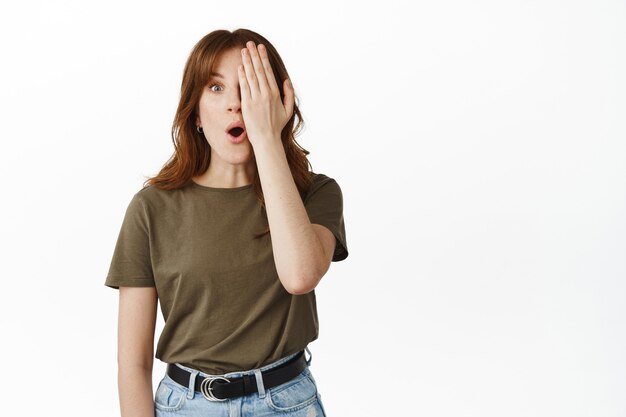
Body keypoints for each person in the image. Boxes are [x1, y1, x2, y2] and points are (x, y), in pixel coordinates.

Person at [104, 27, 348, 417]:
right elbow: (132, 364)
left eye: (251, 87)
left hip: (286, 403)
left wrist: (267, 138)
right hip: (185, 406)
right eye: (216, 89)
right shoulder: (151, 208)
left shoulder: (316, 194)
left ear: (278, 100)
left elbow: (299, 275)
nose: (237, 104)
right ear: (195, 112)